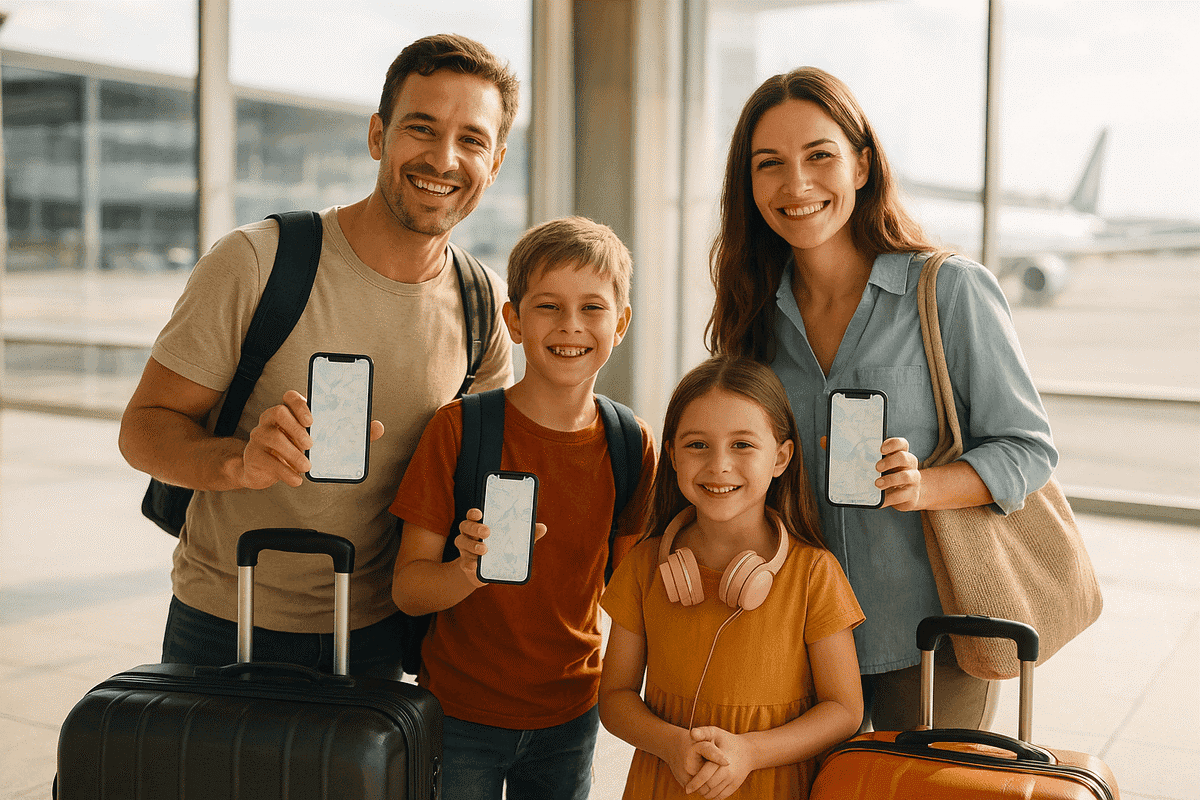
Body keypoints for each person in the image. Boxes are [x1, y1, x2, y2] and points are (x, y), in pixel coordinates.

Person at [117, 34, 518, 674]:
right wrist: (239, 463)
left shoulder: (481, 305)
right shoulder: (258, 262)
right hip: (227, 620)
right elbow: (143, 431)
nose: (444, 159)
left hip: (383, 634)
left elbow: (475, 475)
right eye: (422, 128)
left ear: (494, 163)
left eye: (471, 139)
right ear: (377, 137)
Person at [706, 66, 1059, 731]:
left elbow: (1028, 449)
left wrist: (923, 486)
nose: (797, 185)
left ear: (862, 165)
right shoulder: (752, 316)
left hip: (931, 640)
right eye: (770, 165)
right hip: (796, 634)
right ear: (749, 187)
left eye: (820, 156)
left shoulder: (947, 291)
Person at [390, 216, 658, 800]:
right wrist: (464, 572)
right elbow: (408, 588)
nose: (571, 327)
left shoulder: (629, 442)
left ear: (621, 325)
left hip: (572, 714)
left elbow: (633, 587)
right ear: (513, 321)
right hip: (460, 713)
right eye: (547, 306)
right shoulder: (460, 430)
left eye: (593, 308)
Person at [599, 356, 864, 800]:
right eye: (697, 445)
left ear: (781, 457)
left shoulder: (813, 575)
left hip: (771, 783)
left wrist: (750, 752)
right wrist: (670, 744)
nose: (719, 465)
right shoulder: (644, 567)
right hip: (666, 783)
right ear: (672, 455)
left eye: (742, 444)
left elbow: (844, 710)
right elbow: (615, 698)